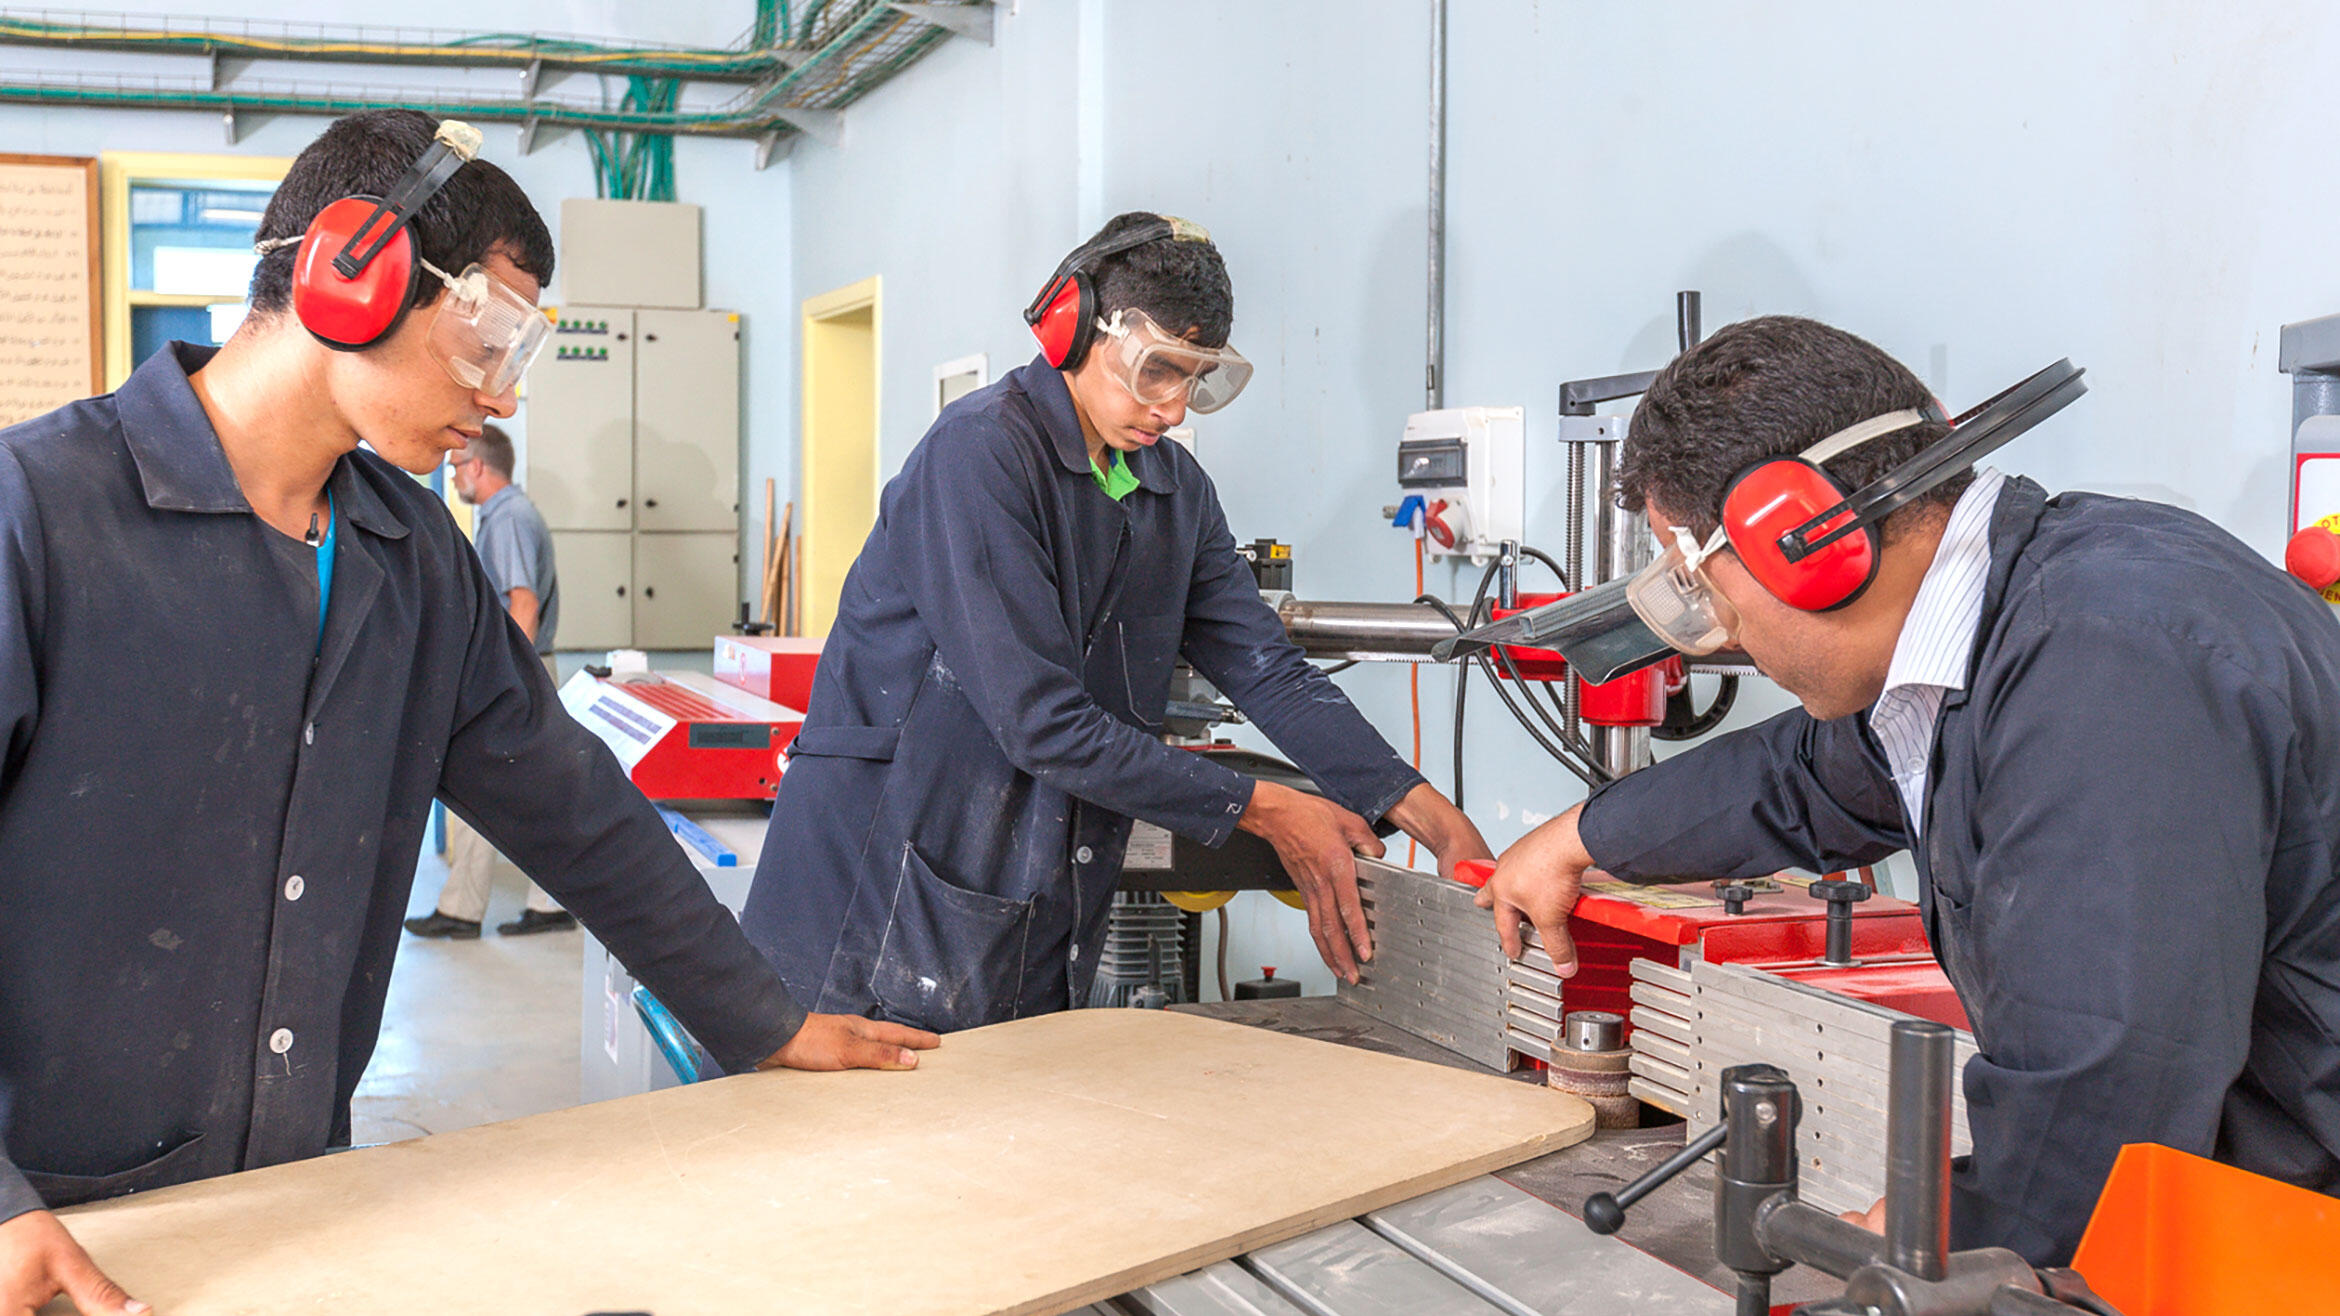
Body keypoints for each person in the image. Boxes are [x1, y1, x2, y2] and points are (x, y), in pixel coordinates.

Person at [0, 110, 935, 1316]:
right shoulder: (39, 516)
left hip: (291, 1209)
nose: (497, 398)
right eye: (485, 336)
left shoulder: (408, 552)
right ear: (350, 273)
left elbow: (573, 806)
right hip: (53, 1233)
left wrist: (761, 1017)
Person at [1478, 316, 2340, 1265]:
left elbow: (2106, 1088)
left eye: (1701, 583)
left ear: (1801, 546)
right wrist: (1580, 837)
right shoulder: (2021, 614)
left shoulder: (2105, 667)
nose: (1719, 633)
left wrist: (1941, 1238)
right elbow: (1807, 777)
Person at [740, 213, 1493, 1033]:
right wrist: (1271, 808)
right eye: (1155, 371)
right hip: (878, 890)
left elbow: (1268, 670)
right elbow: (1041, 723)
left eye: (1196, 379)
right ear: (1072, 329)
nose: (1171, 408)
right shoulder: (979, 456)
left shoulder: (1173, 491)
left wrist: (1432, 815)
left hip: (1029, 884)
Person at [405, 423, 573, 937]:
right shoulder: (507, 515)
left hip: (515, 667)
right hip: (519, 666)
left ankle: (472, 909)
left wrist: (507, 678)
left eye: (456, 467)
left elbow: (523, 603)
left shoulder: (508, 519)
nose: (454, 476)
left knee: (488, 788)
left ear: (478, 466)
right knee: (519, 792)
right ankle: (514, 906)